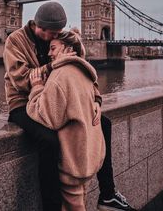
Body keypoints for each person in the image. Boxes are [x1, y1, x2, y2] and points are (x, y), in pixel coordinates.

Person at [3, 1, 136, 211]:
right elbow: (20, 79)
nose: (52, 41)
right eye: (52, 33)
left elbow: (79, 74)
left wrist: (96, 103)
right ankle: (52, 206)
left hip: (55, 100)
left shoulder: (56, 37)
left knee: (105, 124)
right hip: (23, 104)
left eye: (58, 33)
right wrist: (54, 65)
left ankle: (108, 194)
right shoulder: (15, 41)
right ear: (40, 27)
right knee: (49, 140)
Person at [27, 30, 105, 210]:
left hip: (72, 160)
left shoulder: (60, 76)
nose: (49, 53)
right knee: (81, 199)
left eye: (53, 48)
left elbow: (45, 116)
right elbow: (95, 96)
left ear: (68, 48)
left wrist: (37, 87)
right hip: (89, 155)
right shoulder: (84, 72)